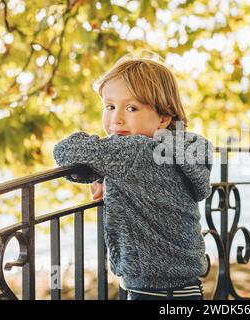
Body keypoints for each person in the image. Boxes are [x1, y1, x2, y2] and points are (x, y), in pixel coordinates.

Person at [53, 54, 213, 300]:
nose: (116, 118)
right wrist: (105, 175)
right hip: (187, 287)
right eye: (109, 106)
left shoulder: (134, 151)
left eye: (131, 108)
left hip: (151, 291)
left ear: (163, 117)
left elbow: (66, 151)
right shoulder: (175, 149)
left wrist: (101, 170)